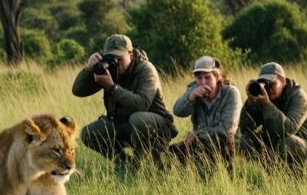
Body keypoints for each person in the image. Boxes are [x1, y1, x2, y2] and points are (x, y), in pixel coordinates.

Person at [72, 34, 177, 167]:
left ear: (131, 56)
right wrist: (89, 69)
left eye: (119, 59)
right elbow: (78, 91)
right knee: (89, 133)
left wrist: (111, 87)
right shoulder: (107, 70)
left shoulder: (146, 69)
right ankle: (125, 164)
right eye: (111, 58)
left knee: (138, 119)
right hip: (124, 124)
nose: (115, 63)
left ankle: (152, 164)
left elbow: (142, 104)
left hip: (156, 127)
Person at [237, 62, 307, 165]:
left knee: (287, 143)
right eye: (265, 84)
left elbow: (289, 129)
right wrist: (250, 103)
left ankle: (297, 175)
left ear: (283, 81)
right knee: (244, 141)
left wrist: (267, 105)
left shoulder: (298, 96)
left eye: (272, 84)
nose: (269, 88)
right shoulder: (263, 97)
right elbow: (245, 128)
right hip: (279, 144)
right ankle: (271, 172)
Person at [170, 56, 241, 166]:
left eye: (207, 77)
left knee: (224, 140)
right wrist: (191, 96)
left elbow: (226, 129)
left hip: (226, 145)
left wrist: (197, 134)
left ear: (217, 77)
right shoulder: (194, 90)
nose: (203, 82)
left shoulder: (231, 93)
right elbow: (178, 111)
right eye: (199, 78)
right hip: (201, 142)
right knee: (173, 151)